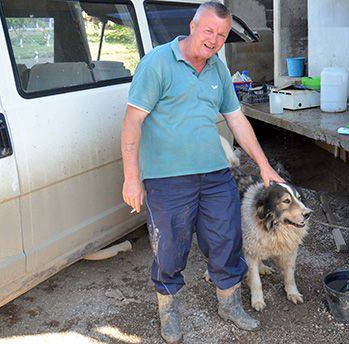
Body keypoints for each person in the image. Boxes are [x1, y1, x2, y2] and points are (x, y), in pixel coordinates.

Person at [121, 2, 284, 342]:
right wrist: (132, 178)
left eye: (221, 35)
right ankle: (168, 310)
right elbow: (132, 122)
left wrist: (265, 165)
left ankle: (229, 303)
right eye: (208, 30)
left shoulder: (218, 70)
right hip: (167, 178)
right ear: (193, 25)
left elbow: (236, 119)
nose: (213, 40)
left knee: (226, 239)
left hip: (214, 175)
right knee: (169, 248)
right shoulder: (157, 63)